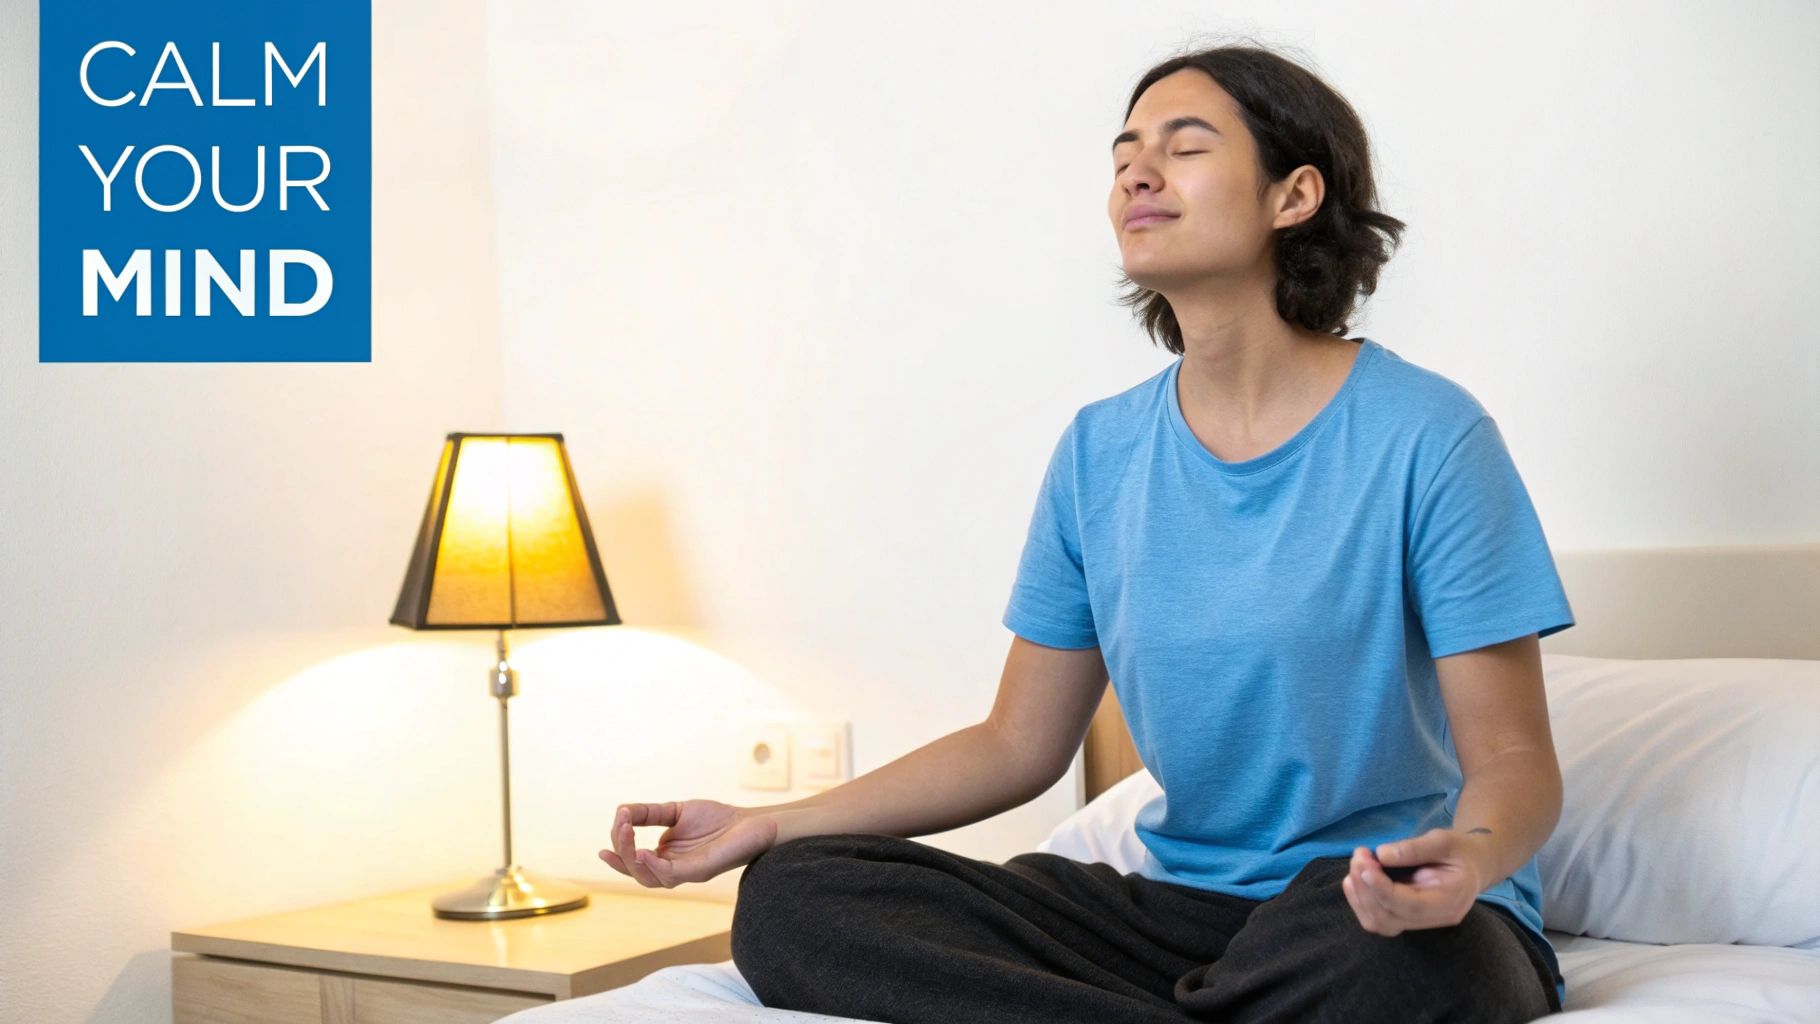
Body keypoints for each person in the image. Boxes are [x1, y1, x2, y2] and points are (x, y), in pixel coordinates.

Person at [599, 39, 1573, 1024]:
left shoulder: (1426, 435)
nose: (1136, 175)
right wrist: (768, 822)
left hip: (1375, 907)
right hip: (1174, 916)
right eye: (1122, 157)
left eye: (1183, 148)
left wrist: (1473, 857)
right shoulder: (1099, 453)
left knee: (1380, 954)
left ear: (1294, 195)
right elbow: (1015, 743)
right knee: (793, 897)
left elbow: (1511, 759)